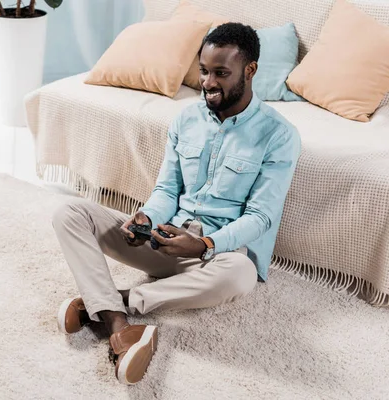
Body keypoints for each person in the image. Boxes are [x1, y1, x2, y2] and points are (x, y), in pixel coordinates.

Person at [51, 22, 301, 385]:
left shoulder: (278, 136)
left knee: (241, 275)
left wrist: (203, 244)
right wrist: (145, 218)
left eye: (221, 73)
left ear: (250, 71)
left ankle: (107, 305)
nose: (208, 83)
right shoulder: (186, 118)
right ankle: (121, 326)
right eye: (203, 71)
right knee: (70, 213)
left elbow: (261, 216)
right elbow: (167, 189)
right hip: (163, 242)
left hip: (215, 256)